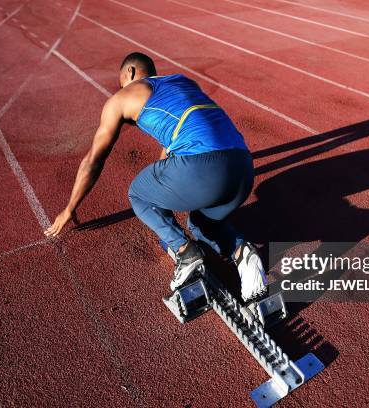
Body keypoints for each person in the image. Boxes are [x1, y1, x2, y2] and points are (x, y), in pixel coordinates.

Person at [45, 52, 267, 301]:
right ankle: (242, 252)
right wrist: (168, 178)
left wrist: (69, 208)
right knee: (202, 223)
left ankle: (185, 251)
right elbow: (177, 136)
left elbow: (93, 160)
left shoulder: (122, 98)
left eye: (120, 81)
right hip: (244, 168)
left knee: (139, 192)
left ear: (129, 73)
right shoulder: (183, 81)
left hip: (204, 170)